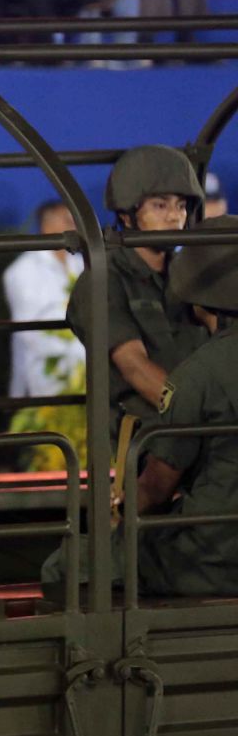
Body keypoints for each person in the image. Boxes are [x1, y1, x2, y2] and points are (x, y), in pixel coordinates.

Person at [119, 224, 238, 597]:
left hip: (215, 560)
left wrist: (123, 506)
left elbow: (155, 487)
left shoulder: (197, 373)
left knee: (76, 561)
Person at [68, 145, 210, 437]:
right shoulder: (103, 279)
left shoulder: (189, 272)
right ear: (128, 214)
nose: (174, 217)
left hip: (200, 427)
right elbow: (134, 367)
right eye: (160, 205)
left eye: (181, 206)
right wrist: (200, 417)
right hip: (150, 435)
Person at [4, 200, 86, 401]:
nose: (74, 227)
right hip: (45, 377)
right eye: (68, 220)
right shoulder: (23, 271)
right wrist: (80, 352)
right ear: (47, 226)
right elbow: (30, 332)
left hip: (87, 373)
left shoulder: (81, 265)